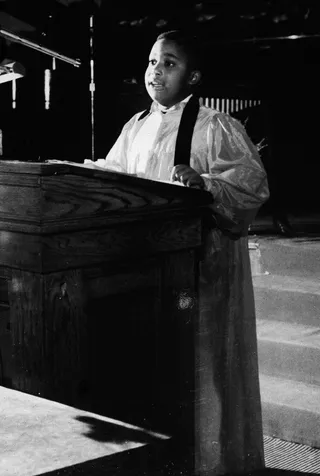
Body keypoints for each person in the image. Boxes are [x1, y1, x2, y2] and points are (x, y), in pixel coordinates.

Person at [85, 30, 269, 475]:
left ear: (194, 76)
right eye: (151, 62)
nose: (155, 71)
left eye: (169, 63)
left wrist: (205, 182)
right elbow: (115, 175)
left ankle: (212, 462)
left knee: (201, 364)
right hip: (146, 266)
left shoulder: (215, 126)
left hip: (202, 265)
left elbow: (251, 187)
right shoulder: (136, 126)